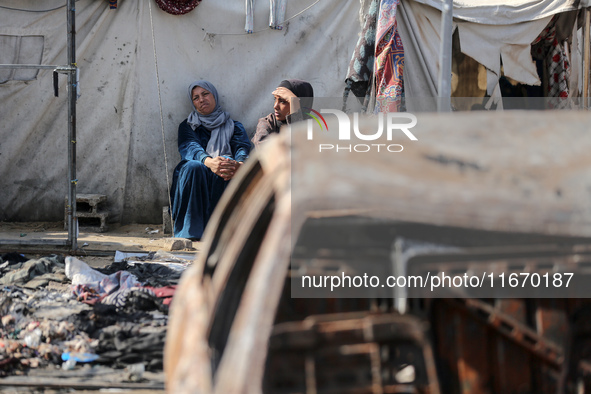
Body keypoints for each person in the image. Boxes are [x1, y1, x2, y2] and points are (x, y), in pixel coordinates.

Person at [170, 80, 251, 240]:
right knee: (194, 167)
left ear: (214, 95)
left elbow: (242, 148)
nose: (201, 99)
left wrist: (239, 164)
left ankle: (221, 232)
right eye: (196, 97)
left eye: (205, 94)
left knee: (227, 163)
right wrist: (209, 162)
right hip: (194, 172)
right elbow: (190, 147)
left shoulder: (234, 125)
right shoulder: (188, 126)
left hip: (224, 171)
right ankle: (190, 234)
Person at [251, 79, 313, 147]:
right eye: (275, 99)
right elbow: (264, 150)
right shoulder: (267, 123)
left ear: (300, 104)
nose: (275, 106)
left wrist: (295, 113)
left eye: (283, 101)